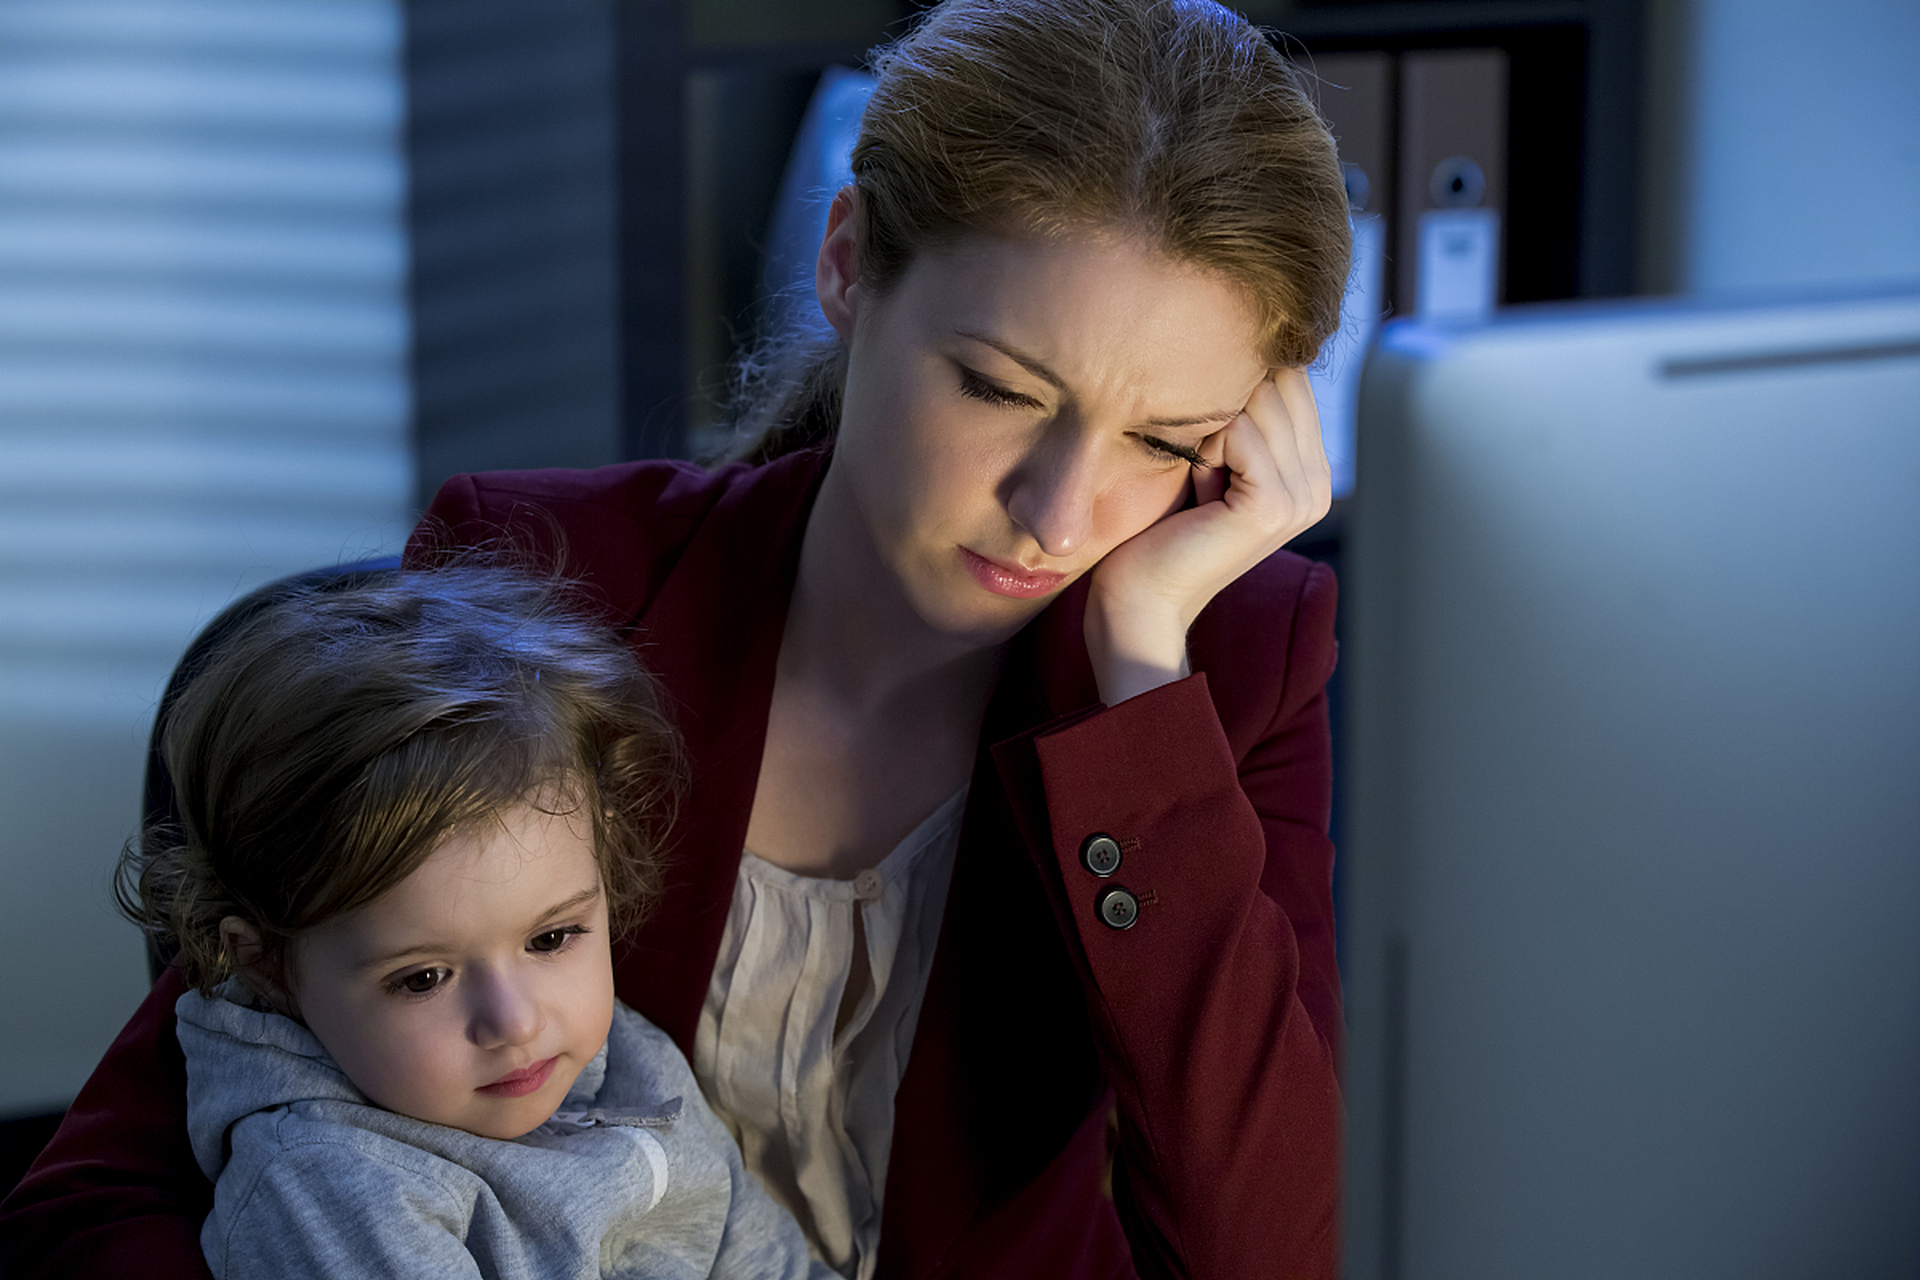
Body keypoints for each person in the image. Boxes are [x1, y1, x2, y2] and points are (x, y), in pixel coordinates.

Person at [0, 0, 1353, 1276]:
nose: (1058, 513)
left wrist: (1139, 680)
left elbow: (1261, 1253)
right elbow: (97, 1196)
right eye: (999, 387)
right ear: (845, 262)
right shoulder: (538, 579)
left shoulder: (1219, 670)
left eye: (1163, 441)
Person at [110, 565, 834, 1278]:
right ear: (269, 966)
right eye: (423, 978)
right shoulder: (330, 1186)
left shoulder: (630, 1060)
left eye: (550, 938)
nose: (514, 1022)